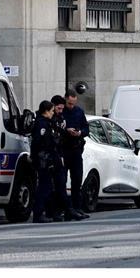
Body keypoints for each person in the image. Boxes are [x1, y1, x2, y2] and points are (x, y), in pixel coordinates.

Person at [31, 100, 69, 223]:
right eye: (52, 111)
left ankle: (51, 212)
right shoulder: (41, 124)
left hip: (49, 159)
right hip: (44, 160)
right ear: (46, 111)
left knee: (50, 187)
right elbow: (40, 143)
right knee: (44, 187)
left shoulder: (48, 123)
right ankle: (38, 213)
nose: (53, 113)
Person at [60, 89, 91, 220]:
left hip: (76, 149)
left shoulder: (79, 112)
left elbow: (86, 129)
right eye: (69, 103)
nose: (71, 106)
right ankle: (65, 209)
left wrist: (79, 133)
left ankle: (77, 207)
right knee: (61, 180)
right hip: (64, 149)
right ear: (65, 99)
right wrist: (66, 130)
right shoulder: (61, 111)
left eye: (73, 103)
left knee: (77, 179)